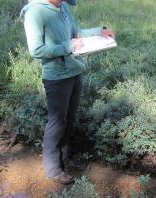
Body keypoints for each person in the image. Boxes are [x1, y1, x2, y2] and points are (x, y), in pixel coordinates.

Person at [20, 0, 115, 184]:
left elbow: (76, 33)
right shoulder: (35, 12)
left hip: (74, 71)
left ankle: (64, 159)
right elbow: (36, 50)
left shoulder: (62, 6)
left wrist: (99, 31)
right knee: (57, 122)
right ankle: (53, 170)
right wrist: (68, 46)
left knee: (70, 118)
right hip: (56, 77)